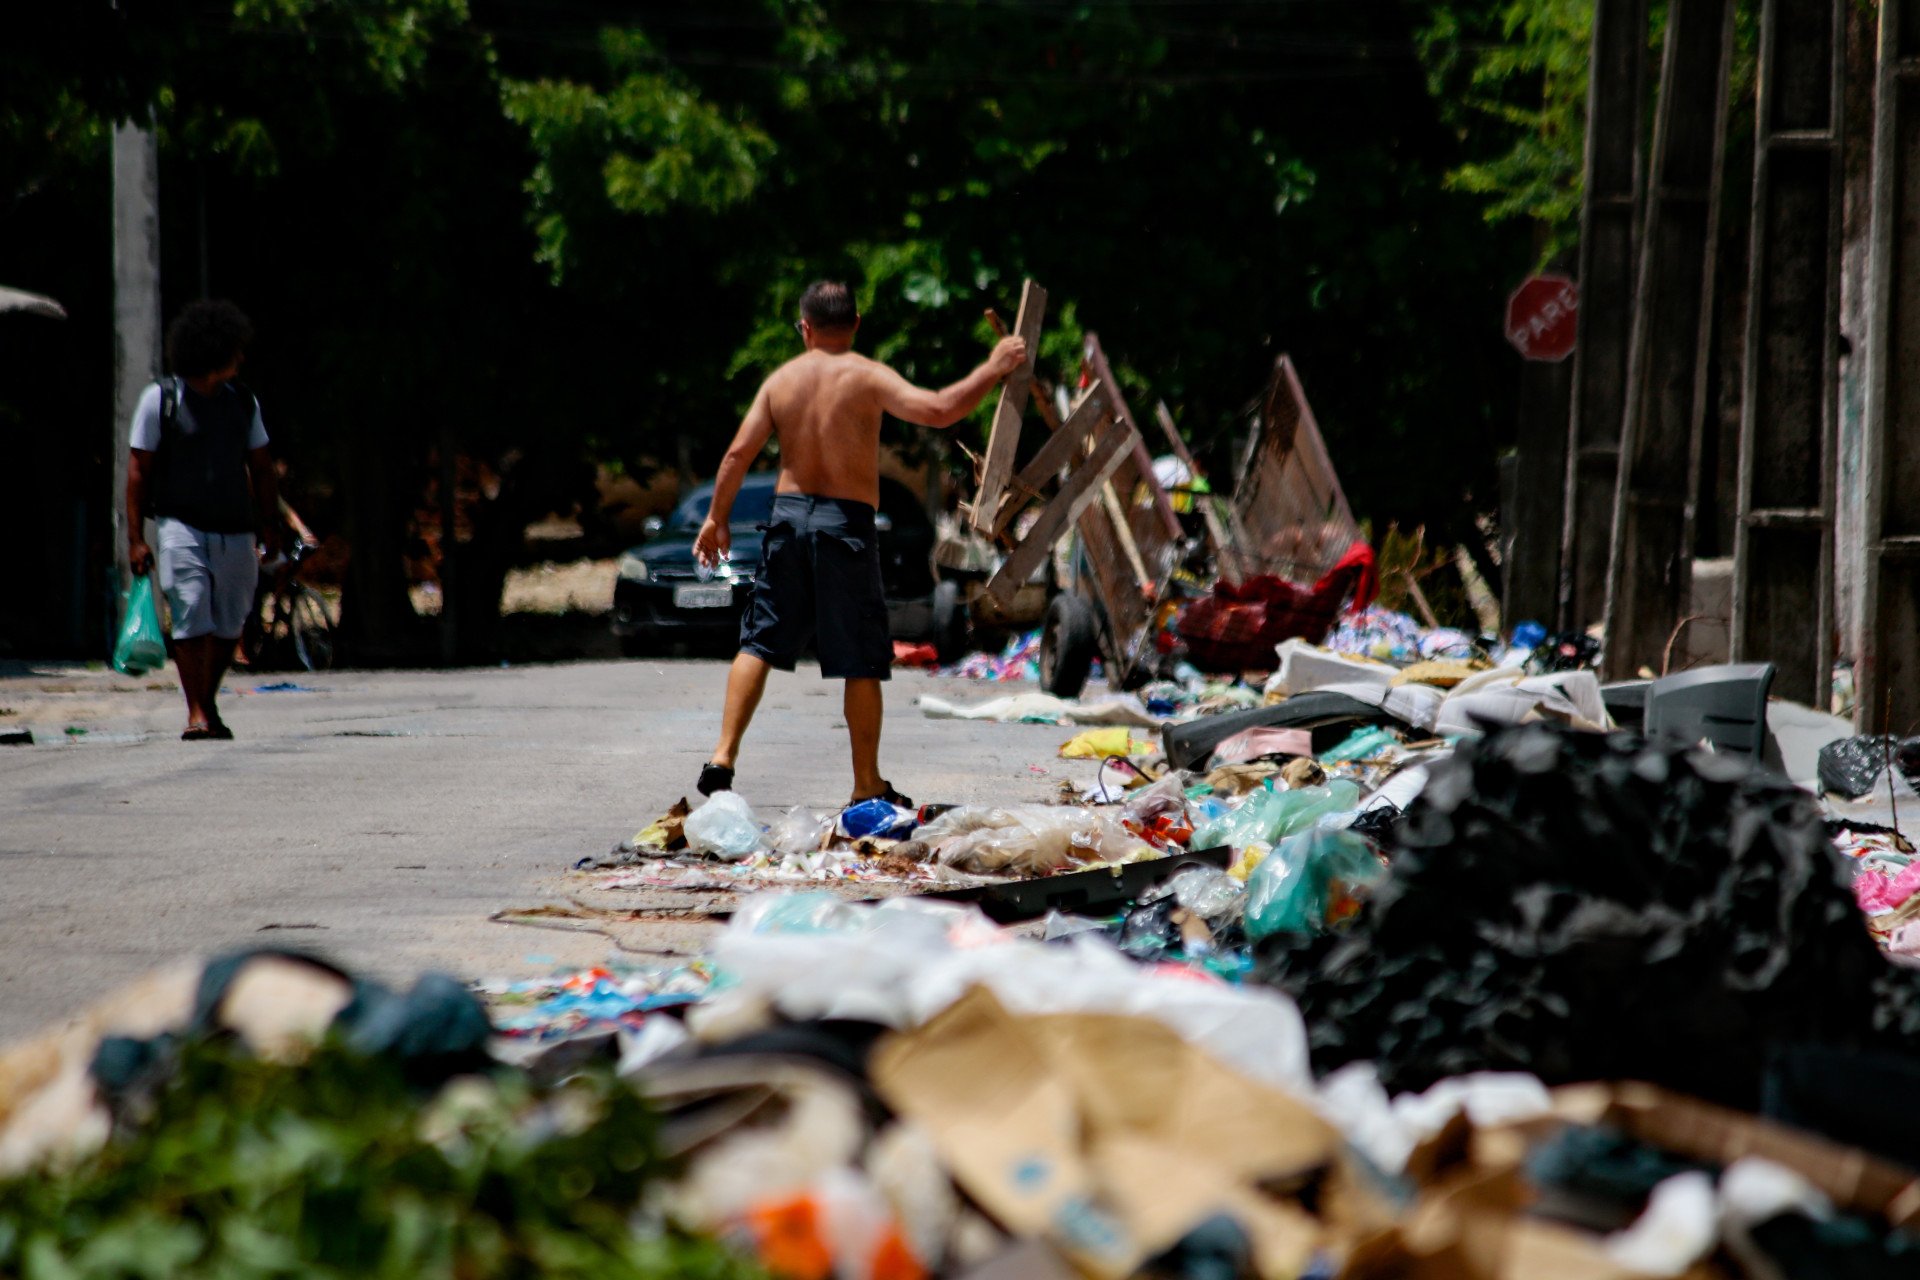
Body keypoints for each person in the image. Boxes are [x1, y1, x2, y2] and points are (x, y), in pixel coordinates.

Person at [693, 280, 1026, 806]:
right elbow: (939, 409)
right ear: (856, 325)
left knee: (759, 640)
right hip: (844, 525)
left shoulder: (781, 382)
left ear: (805, 328)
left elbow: (737, 454)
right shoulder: (868, 376)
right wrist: (994, 366)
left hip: (787, 519)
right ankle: (866, 783)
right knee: (861, 659)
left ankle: (722, 755)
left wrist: (716, 519)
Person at [126, 300, 280, 740]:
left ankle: (206, 701)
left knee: (232, 618)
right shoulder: (161, 399)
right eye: (234, 350)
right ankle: (196, 710)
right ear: (213, 352)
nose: (241, 358)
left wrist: (270, 522)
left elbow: (262, 465)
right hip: (181, 525)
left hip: (236, 527)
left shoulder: (243, 402)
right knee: (191, 609)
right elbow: (138, 470)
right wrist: (137, 538)